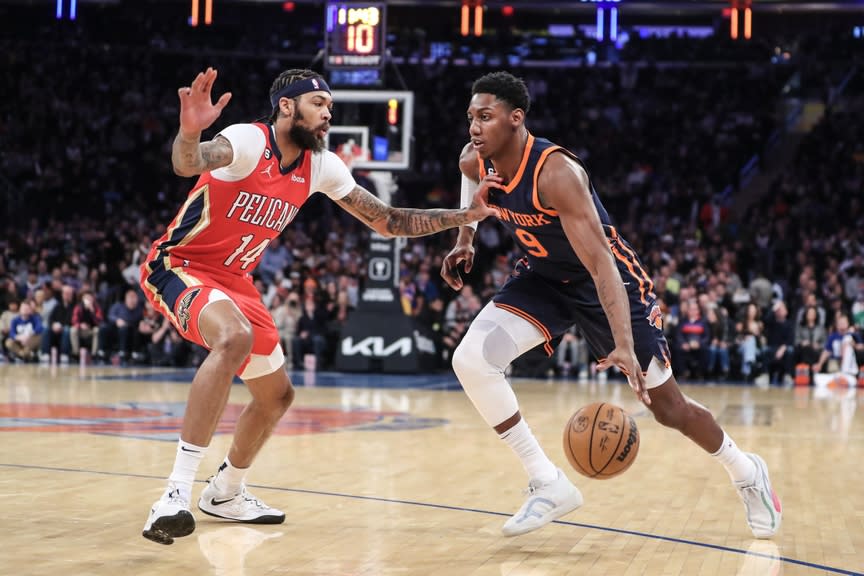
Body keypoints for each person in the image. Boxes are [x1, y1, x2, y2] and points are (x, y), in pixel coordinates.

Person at [139, 67, 497, 545]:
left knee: (277, 397)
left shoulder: (322, 165)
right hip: (180, 263)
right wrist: (190, 129)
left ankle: (225, 491)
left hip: (235, 280)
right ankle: (174, 494)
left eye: (330, 106)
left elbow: (387, 220)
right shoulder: (247, 140)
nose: (329, 114)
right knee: (235, 337)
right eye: (319, 104)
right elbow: (189, 163)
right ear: (287, 106)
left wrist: (465, 217)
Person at [441, 72, 781, 539]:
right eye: (471, 118)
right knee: (471, 360)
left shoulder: (557, 174)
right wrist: (466, 239)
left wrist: (622, 345)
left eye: (485, 117)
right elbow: (468, 178)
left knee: (668, 408)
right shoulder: (475, 159)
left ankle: (746, 473)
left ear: (516, 119)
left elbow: (603, 267)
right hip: (543, 276)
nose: (474, 127)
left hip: (607, 281)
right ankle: (547, 481)